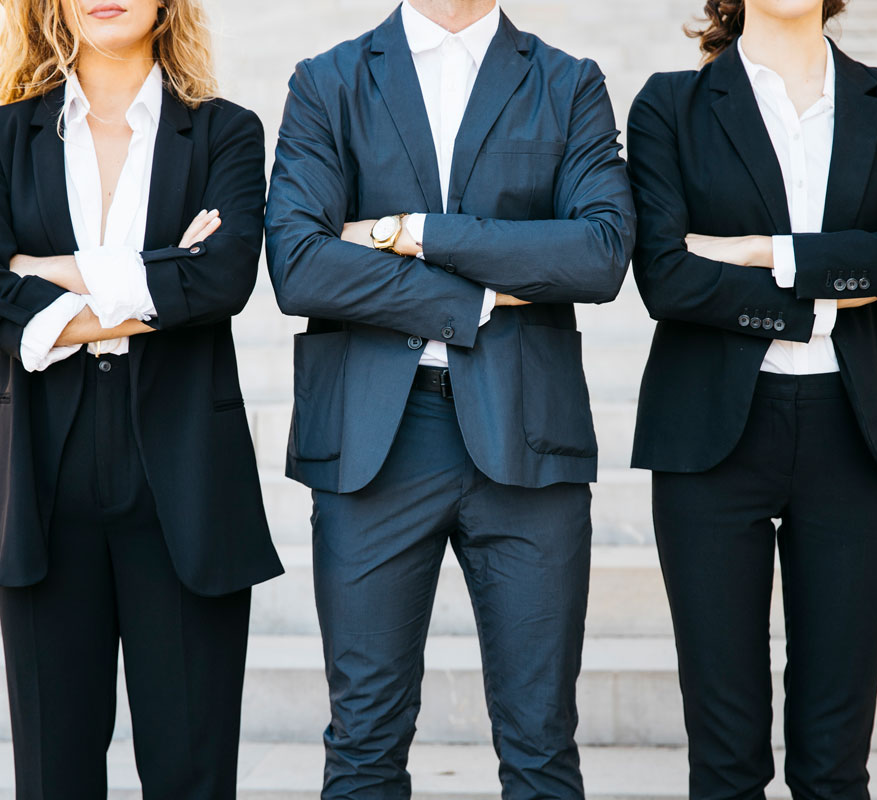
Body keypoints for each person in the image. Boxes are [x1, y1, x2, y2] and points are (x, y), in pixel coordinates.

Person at [264, 0, 635, 796]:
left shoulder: (569, 83)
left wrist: (414, 231)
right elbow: (300, 265)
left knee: (541, 742)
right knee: (363, 741)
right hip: (374, 442)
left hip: (528, 439)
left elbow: (599, 254)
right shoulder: (327, 82)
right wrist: (476, 298)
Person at [626, 0, 877, 797]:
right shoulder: (667, 104)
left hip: (858, 434)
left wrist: (759, 251)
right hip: (710, 440)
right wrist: (855, 269)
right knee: (724, 759)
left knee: (834, 762)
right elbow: (667, 276)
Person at [0, 1, 283, 796]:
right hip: (43, 484)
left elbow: (224, 278)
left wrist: (44, 270)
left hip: (186, 485)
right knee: (54, 777)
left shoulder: (227, 131)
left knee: (191, 775)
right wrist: (157, 269)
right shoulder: (1, 135)